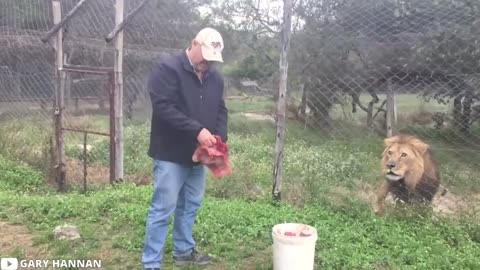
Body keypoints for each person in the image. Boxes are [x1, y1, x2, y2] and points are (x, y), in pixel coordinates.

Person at [141, 27, 228, 270]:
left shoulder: (215, 78)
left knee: (190, 204)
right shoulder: (167, 69)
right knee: (162, 208)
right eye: (206, 58)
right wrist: (197, 130)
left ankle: (183, 251)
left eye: (212, 61)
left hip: (199, 157)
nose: (207, 65)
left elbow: (220, 110)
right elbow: (164, 107)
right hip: (170, 153)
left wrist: (219, 138)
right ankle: (151, 263)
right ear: (194, 44)